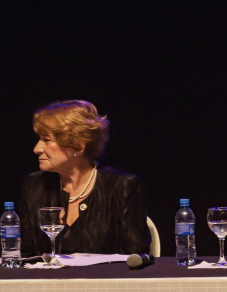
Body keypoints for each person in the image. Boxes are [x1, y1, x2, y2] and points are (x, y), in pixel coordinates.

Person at [18, 100, 150, 258]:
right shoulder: (34, 186)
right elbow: (24, 255)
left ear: (78, 146)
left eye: (47, 140)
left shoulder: (122, 186)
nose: (36, 149)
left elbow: (134, 257)